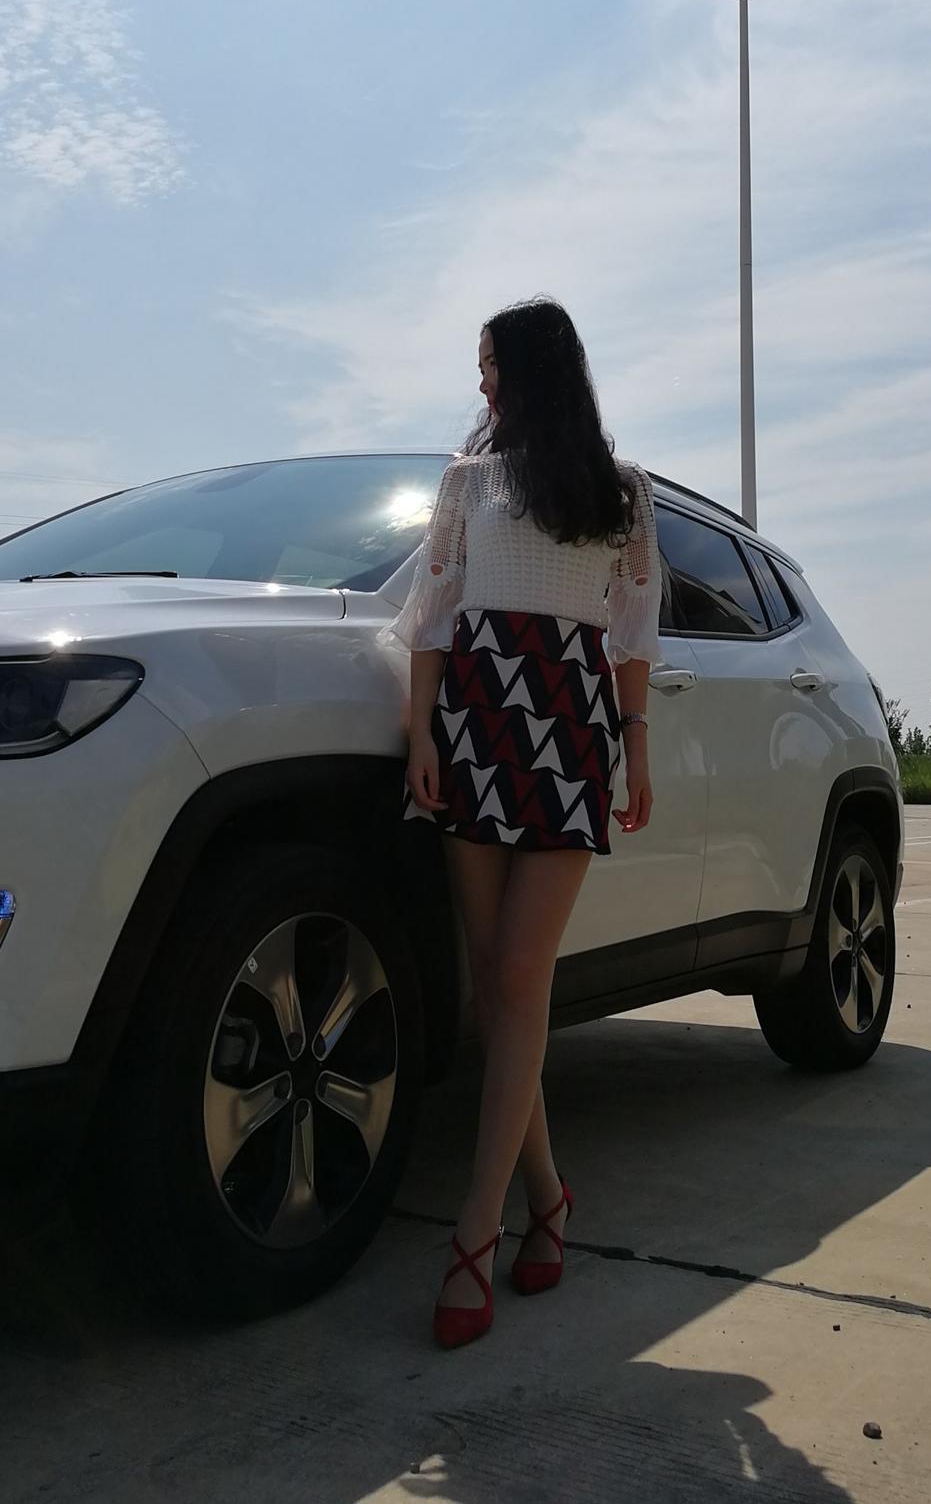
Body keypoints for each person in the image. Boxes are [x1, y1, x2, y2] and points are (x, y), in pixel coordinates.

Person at [378, 296, 659, 1349]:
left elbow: (632, 633)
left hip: (572, 727)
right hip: (477, 717)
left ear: (536, 369)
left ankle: (473, 1231)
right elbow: (432, 616)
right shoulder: (469, 482)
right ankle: (547, 1197)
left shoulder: (621, 491)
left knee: (521, 976)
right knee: (496, 982)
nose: (482, 381)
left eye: (492, 363)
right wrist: (421, 734)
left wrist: (636, 746)